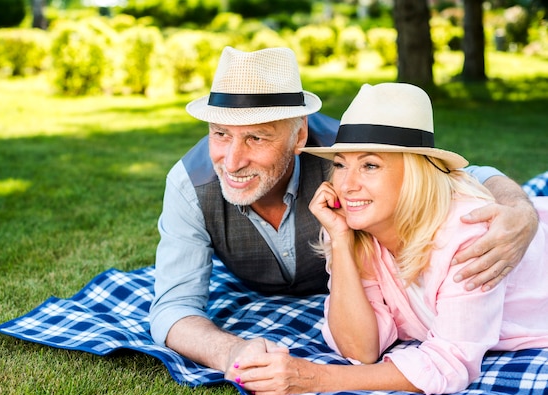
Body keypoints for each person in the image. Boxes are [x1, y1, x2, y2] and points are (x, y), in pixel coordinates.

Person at [149, 46, 539, 375]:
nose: (232, 161)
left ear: (299, 135)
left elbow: (457, 175)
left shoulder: (345, 148)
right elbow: (172, 307)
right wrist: (231, 352)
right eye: (220, 134)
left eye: (256, 137)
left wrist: (519, 209)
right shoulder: (190, 185)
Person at [229, 82, 548, 395]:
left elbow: (448, 364)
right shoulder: (363, 230)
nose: (347, 185)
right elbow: (359, 348)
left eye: (369, 165)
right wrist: (340, 241)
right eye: (340, 165)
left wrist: (315, 378)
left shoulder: (467, 237)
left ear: (414, 174)